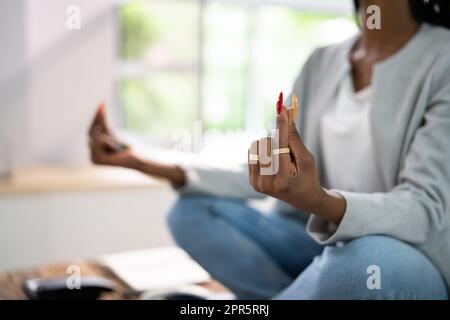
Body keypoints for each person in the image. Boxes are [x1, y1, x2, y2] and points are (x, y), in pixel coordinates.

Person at [89, 0, 450, 299]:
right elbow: (269, 170)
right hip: (312, 244)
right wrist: (147, 163)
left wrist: (319, 201)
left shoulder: (442, 58)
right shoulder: (322, 62)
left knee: (364, 261)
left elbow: (425, 208)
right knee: (190, 212)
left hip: (404, 257)